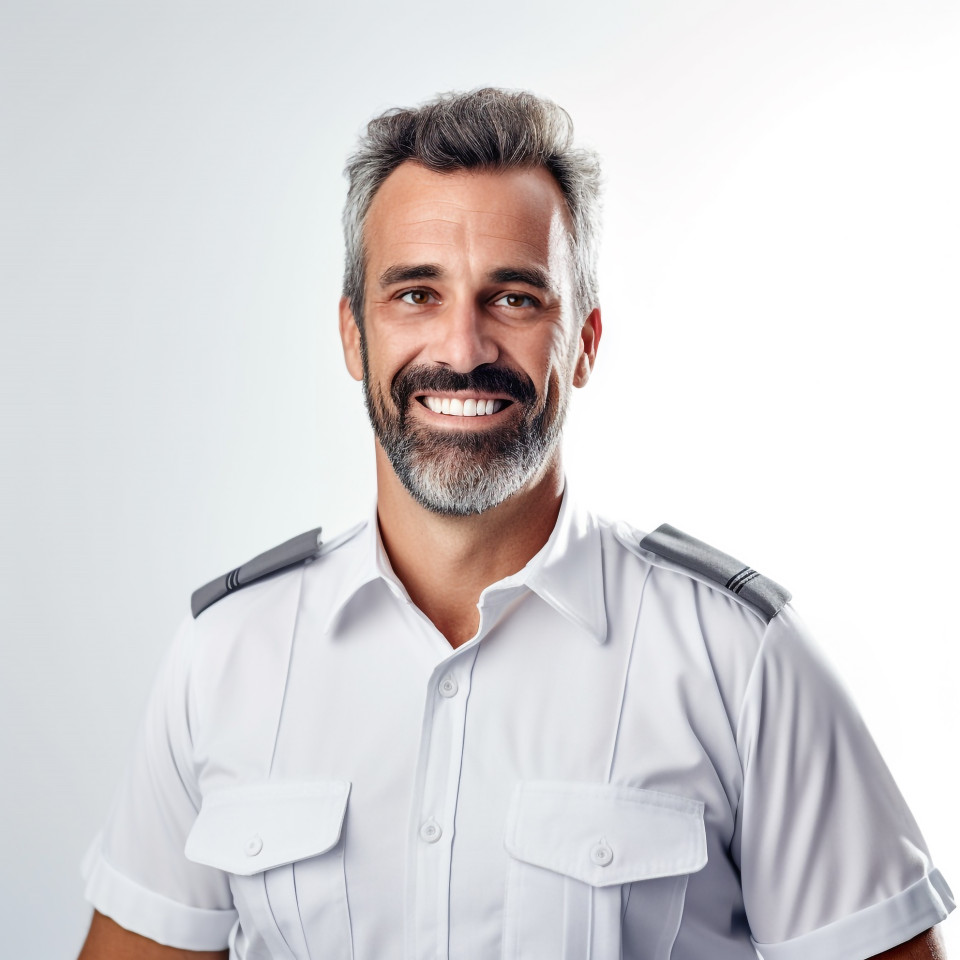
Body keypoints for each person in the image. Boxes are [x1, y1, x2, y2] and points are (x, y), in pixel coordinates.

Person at [78, 88, 953, 960]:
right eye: (416, 295)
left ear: (585, 342)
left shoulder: (740, 660)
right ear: (353, 334)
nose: (461, 349)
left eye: (516, 299)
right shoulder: (226, 657)